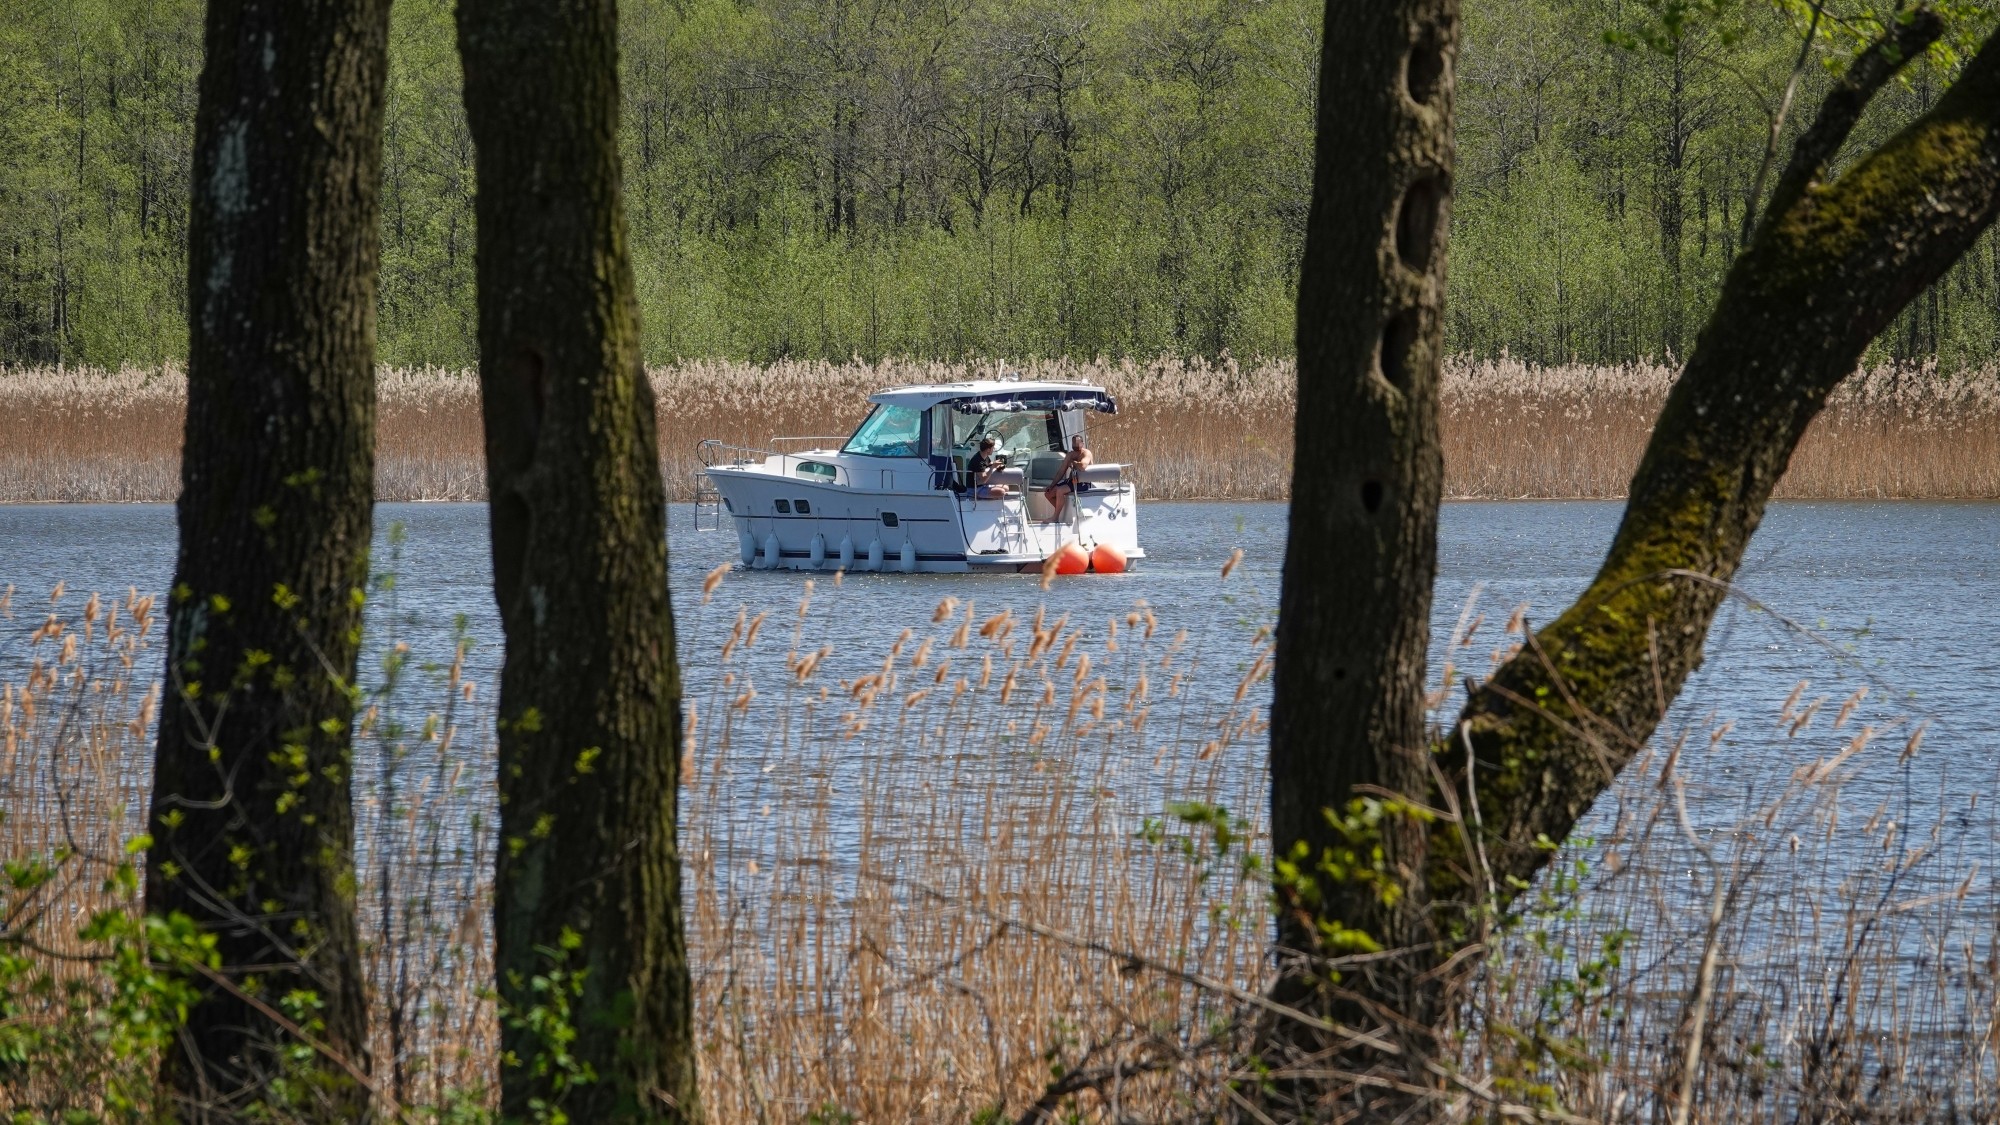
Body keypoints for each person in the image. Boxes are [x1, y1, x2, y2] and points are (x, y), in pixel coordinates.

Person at [1044, 433, 1092, 521]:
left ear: (1082, 443)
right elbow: (1061, 471)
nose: (1075, 446)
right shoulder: (1070, 455)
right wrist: (1052, 485)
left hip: (1083, 483)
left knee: (1060, 490)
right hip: (1071, 481)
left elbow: (1083, 466)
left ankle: (1055, 517)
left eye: (1077, 443)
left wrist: (1072, 462)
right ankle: (1061, 512)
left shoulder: (1086, 453)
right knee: (1048, 493)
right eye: (1074, 444)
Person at [966, 435, 1010, 499]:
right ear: (988, 450)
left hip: (983, 485)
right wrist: (992, 467)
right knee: (1002, 492)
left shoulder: (984, 456)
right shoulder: (978, 461)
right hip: (975, 489)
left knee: (1006, 487)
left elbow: (989, 464)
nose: (993, 449)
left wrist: (997, 465)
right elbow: (984, 479)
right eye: (993, 448)